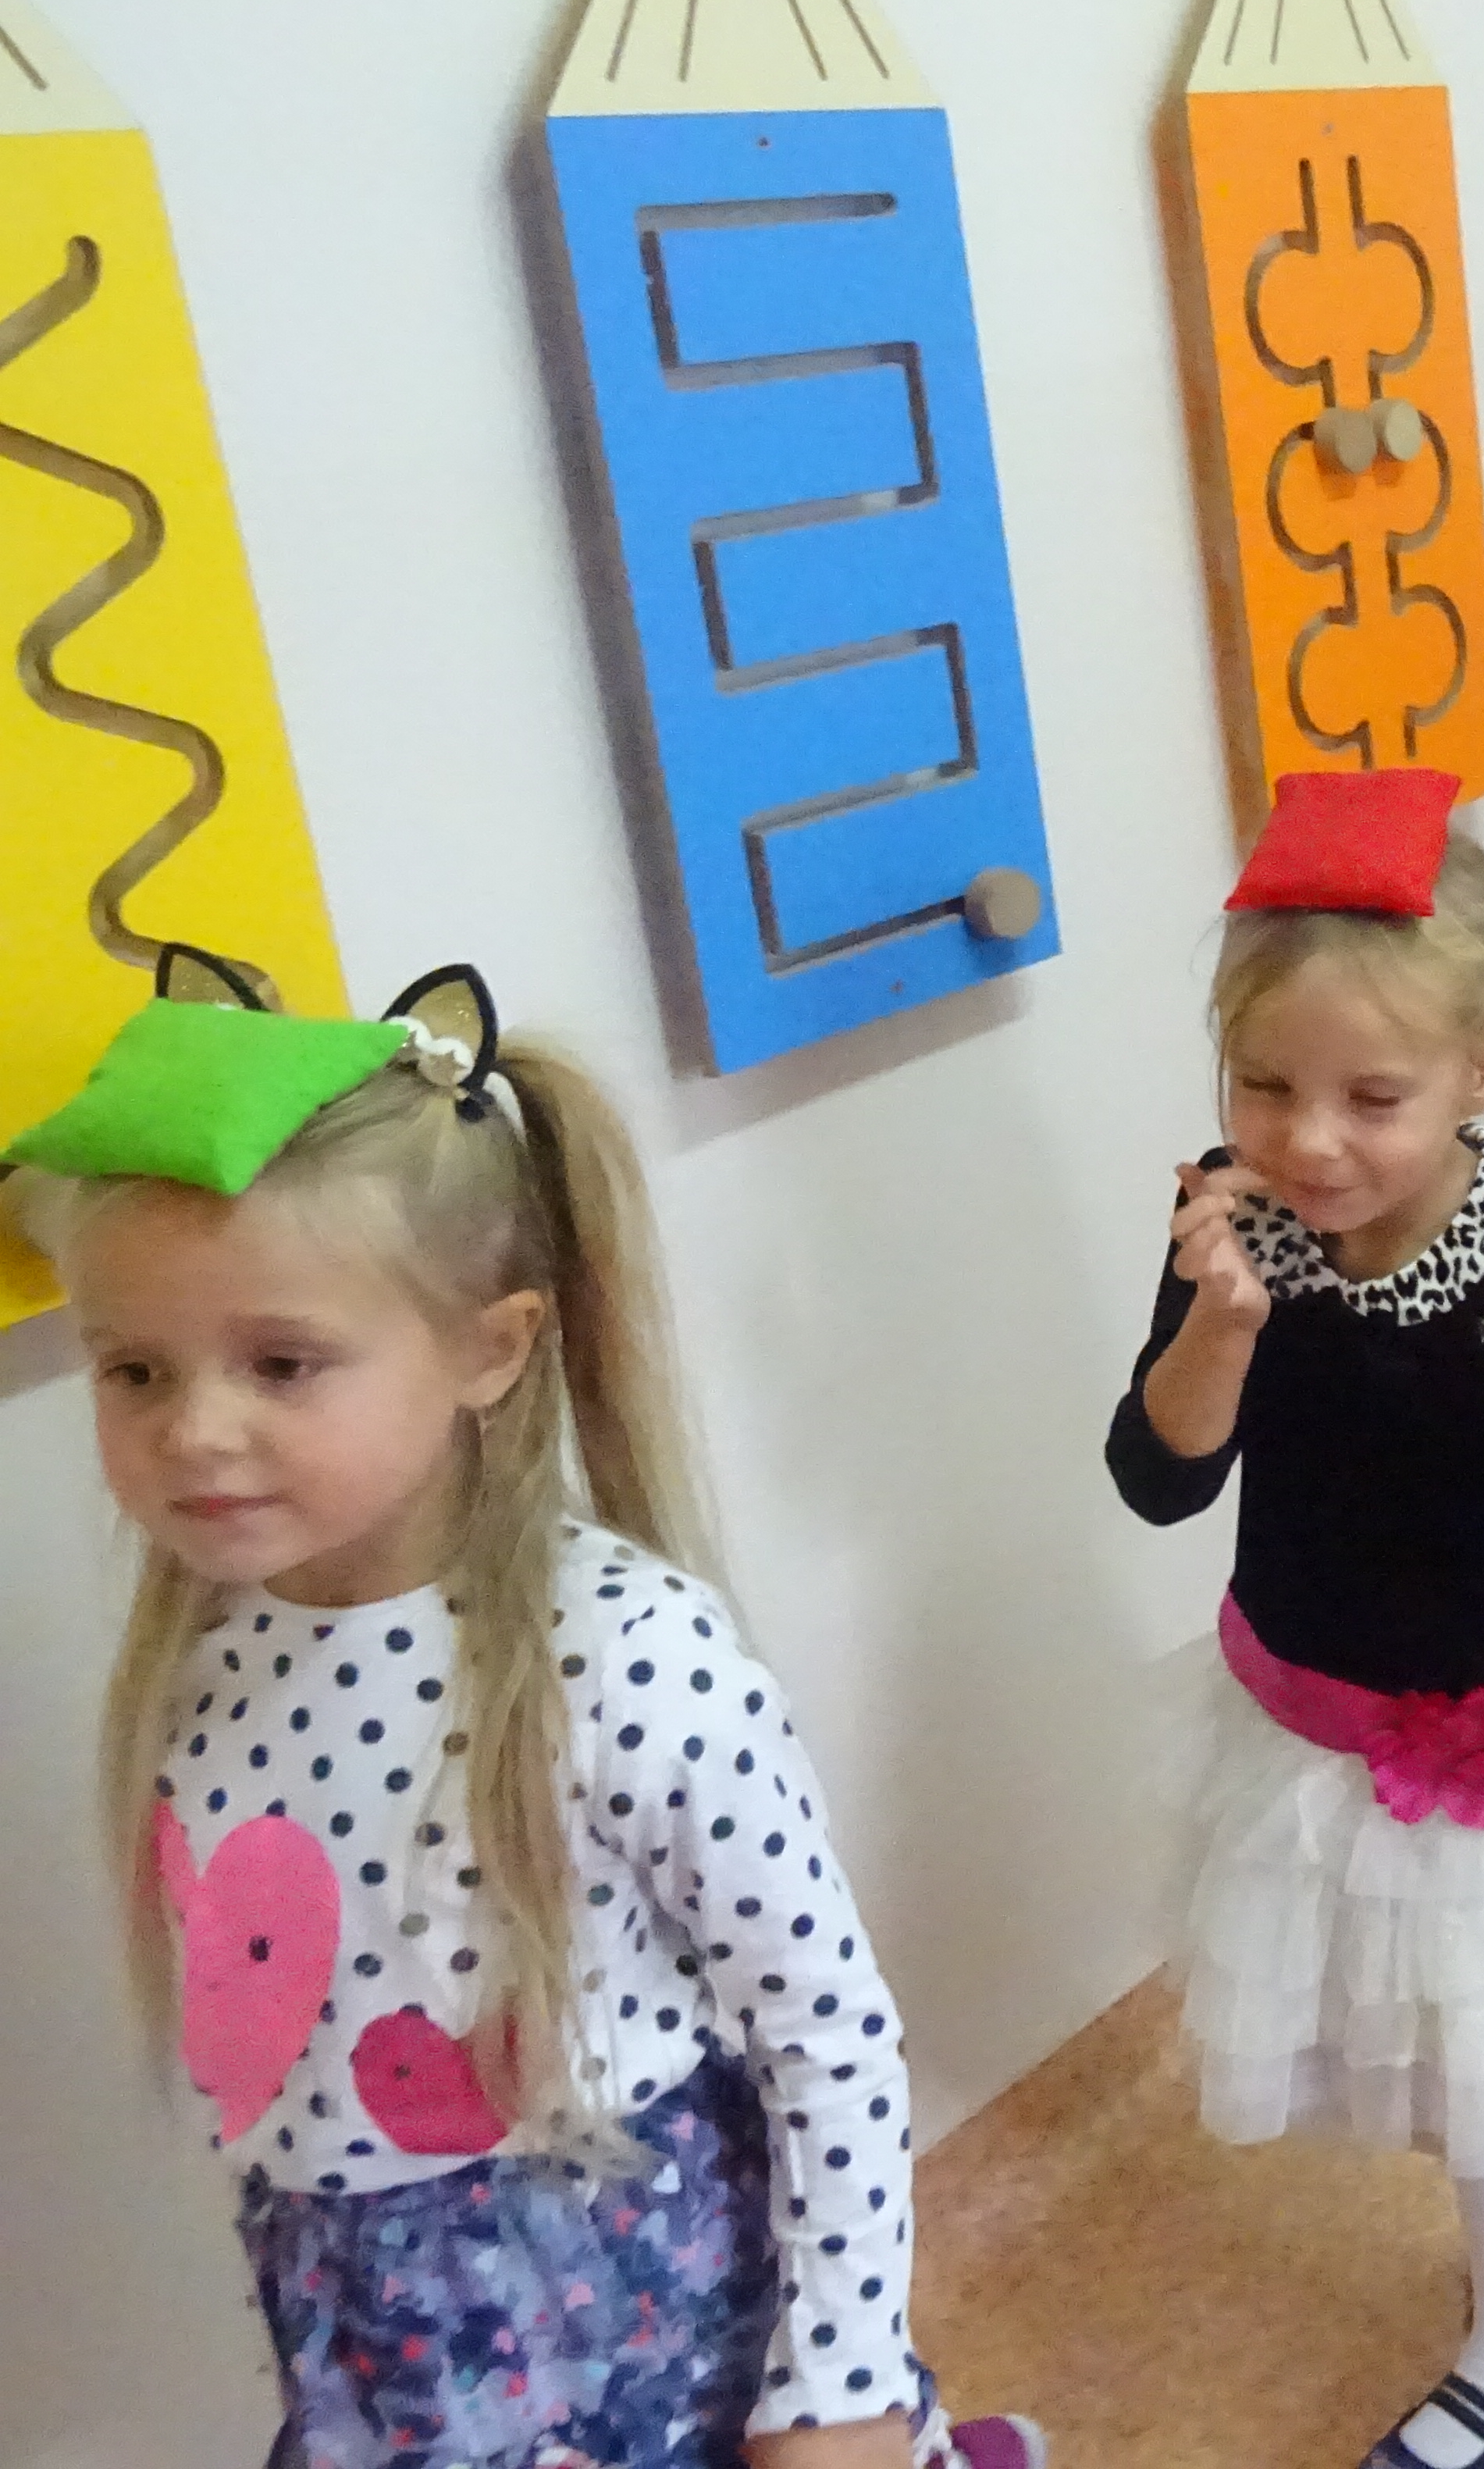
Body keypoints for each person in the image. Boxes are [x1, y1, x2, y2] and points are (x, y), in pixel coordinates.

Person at [10, 957, 1038, 2469]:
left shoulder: (625, 1659)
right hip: (388, 2377)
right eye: (135, 1370)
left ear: (487, 1349)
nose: (195, 1430)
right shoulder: (205, 1658)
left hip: (657, 2361)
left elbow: (825, 2030)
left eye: (282, 1363)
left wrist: (843, 2387)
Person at [1105, 771, 1484, 2469]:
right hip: (1298, 1735)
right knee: (1432, 2054)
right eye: (1264, 1085)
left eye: (1373, 1097)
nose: (1311, 1141)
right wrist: (1220, 1326)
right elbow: (1157, 1482)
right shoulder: (1231, 1220)